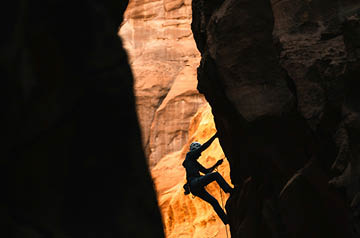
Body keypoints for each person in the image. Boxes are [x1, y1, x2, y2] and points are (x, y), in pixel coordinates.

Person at [182, 132, 233, 225]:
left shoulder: (193, 161)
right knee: (215, 175)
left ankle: (226, 220)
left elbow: (206, 172)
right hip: (195, 183)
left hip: (195, 187)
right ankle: (229, 190)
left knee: (214, 201)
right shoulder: (189, 156)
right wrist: (214, 136)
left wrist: (216, 164)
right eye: (199, 152)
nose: (200, 155)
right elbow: (204, 147)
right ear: (195, 150)